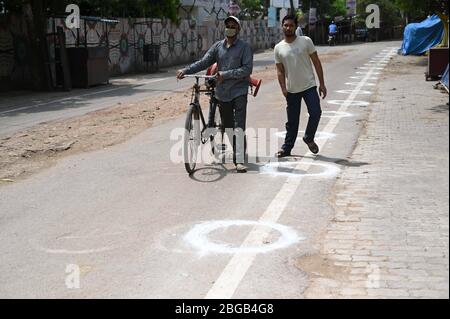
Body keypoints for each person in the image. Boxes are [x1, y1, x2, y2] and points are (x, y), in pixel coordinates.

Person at [177, 16, 253, 173]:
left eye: (233, 26)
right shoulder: (218, 47)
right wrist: (186, 70)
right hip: (222, 92)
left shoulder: (244, 47)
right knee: (229, 125)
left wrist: (225, 74)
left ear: (238, 29)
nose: (230, 28)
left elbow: (246, 69)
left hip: (239, 90)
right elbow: (204, 62)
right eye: (228, 26)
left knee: (239, 125)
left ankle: (238, 160)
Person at [274, 15, 327, 158]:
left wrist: (321, 84)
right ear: (282, 26)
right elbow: (280, 70)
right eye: (285, 25)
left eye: (291, 25)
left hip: (309, 86)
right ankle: (287, 148)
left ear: (296, 27)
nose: (288, 28)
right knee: (292, 121)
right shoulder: (278, 48)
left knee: (316, 112)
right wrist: (283, 88)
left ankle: (309, 137)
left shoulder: (305, 41)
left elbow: (316, 62)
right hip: (292, 90)